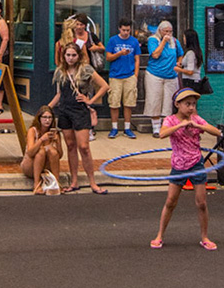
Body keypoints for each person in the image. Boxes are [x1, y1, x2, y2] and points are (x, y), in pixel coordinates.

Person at [150, 88, 221, 250]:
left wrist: (197, 124)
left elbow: (217, 132)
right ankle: (159, 235)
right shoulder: (170, 120)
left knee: (201, 202)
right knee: (170, 202)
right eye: (187, 104)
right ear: (177, 104)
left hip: (196, 165)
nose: (191, 108)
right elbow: (162, 134)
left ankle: (204, 237)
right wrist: (180, 126)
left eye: (194, 104)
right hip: (178, 165)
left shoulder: (196, 119)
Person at [49, 41, 108, 193]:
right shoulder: (60, 71)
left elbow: (104, 86)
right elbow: (59, 94)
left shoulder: (86, 70)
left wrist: (90, 100)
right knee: (70, 145)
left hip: (80, 110)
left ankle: (92, 182)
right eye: (68, 55)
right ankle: (74, 180)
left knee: (84, 147)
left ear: (79, 56)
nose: (70, 58)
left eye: (73, 55)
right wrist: (48, 108)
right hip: (64, 110)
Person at [104, 19, 142, 139]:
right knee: (114, 103)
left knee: (129, 103)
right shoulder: (113, 40)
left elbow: (137, 59)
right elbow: (108, 58)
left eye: (128, 30)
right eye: (124, 30)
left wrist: (135, 75)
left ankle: (127, 128)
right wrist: (120, 53)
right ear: (119, 29)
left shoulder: (134, 41)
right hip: (115, 76)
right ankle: (114, 127)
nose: (126, 32)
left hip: (129, 75)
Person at [143, 19, 180, 136]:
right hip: (155, 74)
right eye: (165, 31)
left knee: (169, 102)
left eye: (170, 31)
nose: (168, 34)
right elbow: (155, 55)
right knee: (155, 100)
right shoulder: (153, 40)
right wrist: (163, 42)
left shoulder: (174, 41)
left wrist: (179, 63)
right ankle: (156, 127)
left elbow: (180, 55)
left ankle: (166, 126)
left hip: (171, 75)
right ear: (160, 31)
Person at [20, 105, 63, 193]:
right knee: (41, 151)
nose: (47, 120)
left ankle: (56, 183)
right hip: (30, 165)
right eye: (44, 117)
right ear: (39, 118)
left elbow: (59, 155)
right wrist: (41, 140)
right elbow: (30, 152)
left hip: (46, 167)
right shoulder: (33, 130)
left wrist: (58, 142)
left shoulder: (54, 132)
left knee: (53, 151)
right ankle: (36, 184)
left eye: (50, 117)